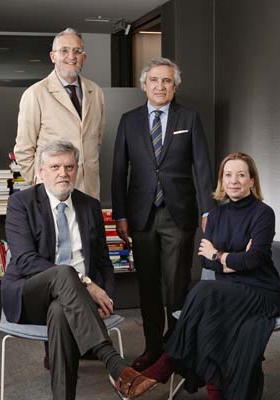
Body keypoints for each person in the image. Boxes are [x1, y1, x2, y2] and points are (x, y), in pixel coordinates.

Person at [1, 140, 156, 399]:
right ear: (41, 171)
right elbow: (25, 260)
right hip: (30, 296)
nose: (63, 173)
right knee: (64, 272)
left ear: (77, 170)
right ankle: (115, 365)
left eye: (69, 167)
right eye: (55, 167)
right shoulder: (21, 203)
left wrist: (106, 295)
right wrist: (86, 284)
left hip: (74, 303)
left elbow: (103, 261)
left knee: (60, 311)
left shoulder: (89, 205)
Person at [140, 152, 280, 400]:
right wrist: (233, 260)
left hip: (260, 292)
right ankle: (214, 391)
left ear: (252, 180)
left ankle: (168, 361)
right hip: (226, 291)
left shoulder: (263, 213)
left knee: (203, 291)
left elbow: (253, 259)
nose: (234, 181)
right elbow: (204, 260)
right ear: (221, 180)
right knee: (208, 310)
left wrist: (219, 255)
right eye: (228, 175)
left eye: (241, 175)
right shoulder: (215, 215)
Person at [111, 57, 215, 371]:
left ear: (175, 86)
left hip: (179, 214)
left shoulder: (189, 118)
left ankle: (177, 349)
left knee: (177, 284)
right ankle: (153, 347)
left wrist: (208, 210)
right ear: (144, 85)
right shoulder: (129, 120)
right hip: (141, 215)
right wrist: (120, 215)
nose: (160, 86)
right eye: (154, 80)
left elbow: (203, 167)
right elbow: (119, 171)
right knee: (148, 285)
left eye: (167, 81)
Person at [14, 28, 105, 199]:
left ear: (84, 57)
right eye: (64, 50)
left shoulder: (96, 92)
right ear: (53, 56)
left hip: (89, 191)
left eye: (77, 51)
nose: (72, 56)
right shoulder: (36, 93)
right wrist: (39, 182)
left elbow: (96, 141)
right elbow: (23, 150)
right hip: (52, 192)